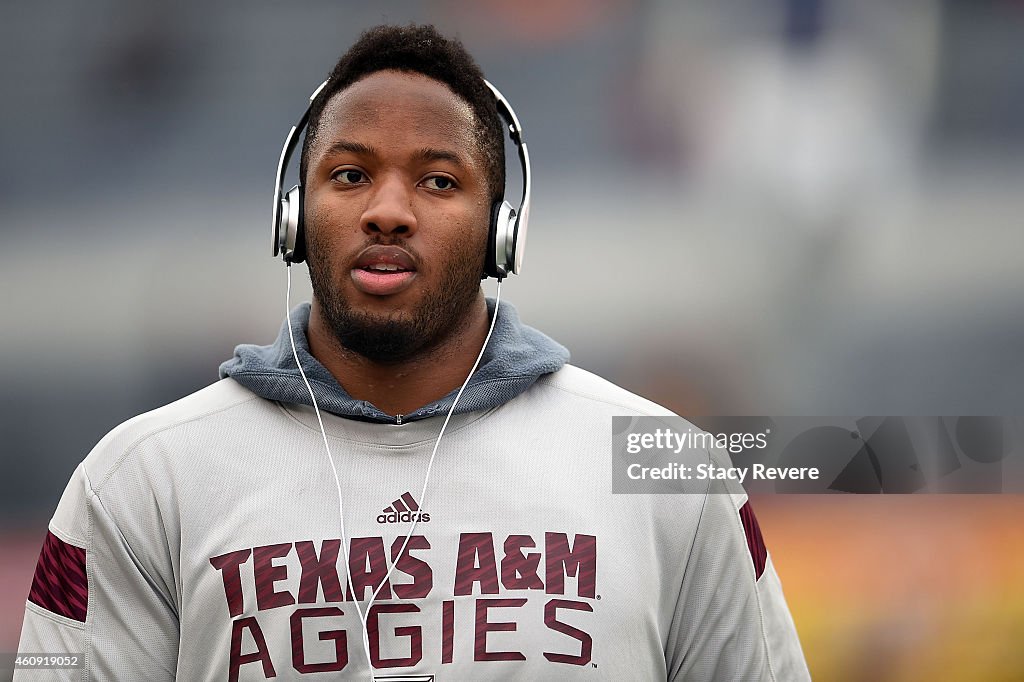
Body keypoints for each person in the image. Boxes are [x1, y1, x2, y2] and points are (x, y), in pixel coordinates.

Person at [16, 24, 809, 681]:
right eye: (352, 174)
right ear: (293, 216)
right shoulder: (139, 483)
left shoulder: (669, 474)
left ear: (504, 230)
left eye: (437, 182)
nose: (388, 211)